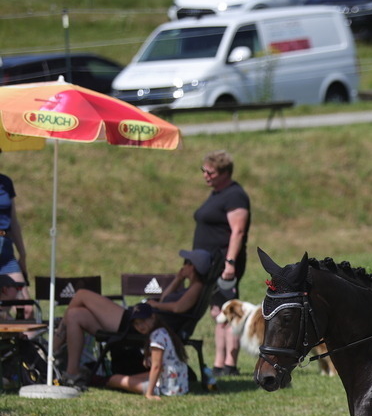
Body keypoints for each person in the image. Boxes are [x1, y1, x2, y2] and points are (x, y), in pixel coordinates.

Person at [55, 250, 208, 391]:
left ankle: (53, 347)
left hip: (139, 323)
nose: (184, 265)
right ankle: (72, 373)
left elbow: (178, 308)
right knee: (75, 314)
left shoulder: (197, 287)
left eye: (187, 263)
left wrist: (156, 304)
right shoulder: (188, 287)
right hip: (141, 320)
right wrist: (178, 279)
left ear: (193, 267)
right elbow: (165, 298)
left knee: (81, 294)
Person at [193, 150, 251, 377]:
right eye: (203, 171)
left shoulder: (234, 195)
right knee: (217, 312)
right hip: (210, 263)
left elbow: (237, 231)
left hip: (224, 264)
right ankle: (219, 363)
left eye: (211, 172)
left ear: (225, 173)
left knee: (229, 311)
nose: (205, 175)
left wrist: (229, 264)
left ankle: (230, 363)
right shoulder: (217, 193)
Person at [106, 303, 190, 399]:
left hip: (166, 389)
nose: (140, 326)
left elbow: (156, 367)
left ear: (153, 317)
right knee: (131, 377)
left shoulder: (157, 337)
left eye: (143, 321)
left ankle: (101, 381)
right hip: (178, 385)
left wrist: (149, 394)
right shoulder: (163, 331)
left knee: (114, 379)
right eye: (136, 323)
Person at [0, 160, 31, 319]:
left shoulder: (5, 182)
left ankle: (23, 342)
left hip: (6, 247)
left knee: (26, 308)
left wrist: (22, 255)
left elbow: (13, 221)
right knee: (2, 311)